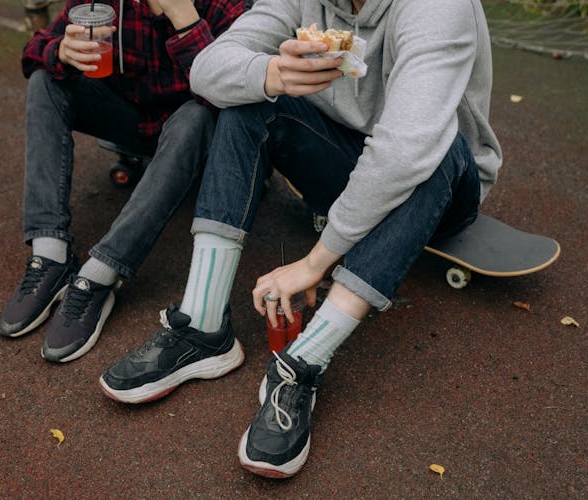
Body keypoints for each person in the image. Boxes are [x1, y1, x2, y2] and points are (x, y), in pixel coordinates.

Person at [98, 0, 503, 478]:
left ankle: (304, 362)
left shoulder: (438, 8)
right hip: (346, 162)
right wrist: (272, 74)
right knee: (244, 102)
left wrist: (317, 261)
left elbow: (404, 151)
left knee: (433, 148)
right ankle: (203, 328)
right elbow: (207, 71)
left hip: (441, 181)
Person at [0, 0, 246, 364]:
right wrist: (60, 51)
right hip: (128, 119)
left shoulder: (224, 4)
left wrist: (183, 19)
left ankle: (101, 274)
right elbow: (33, 51)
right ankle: (50, 255)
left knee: (196, 117)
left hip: (194, 131)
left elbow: (235, 89)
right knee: (46, 78)